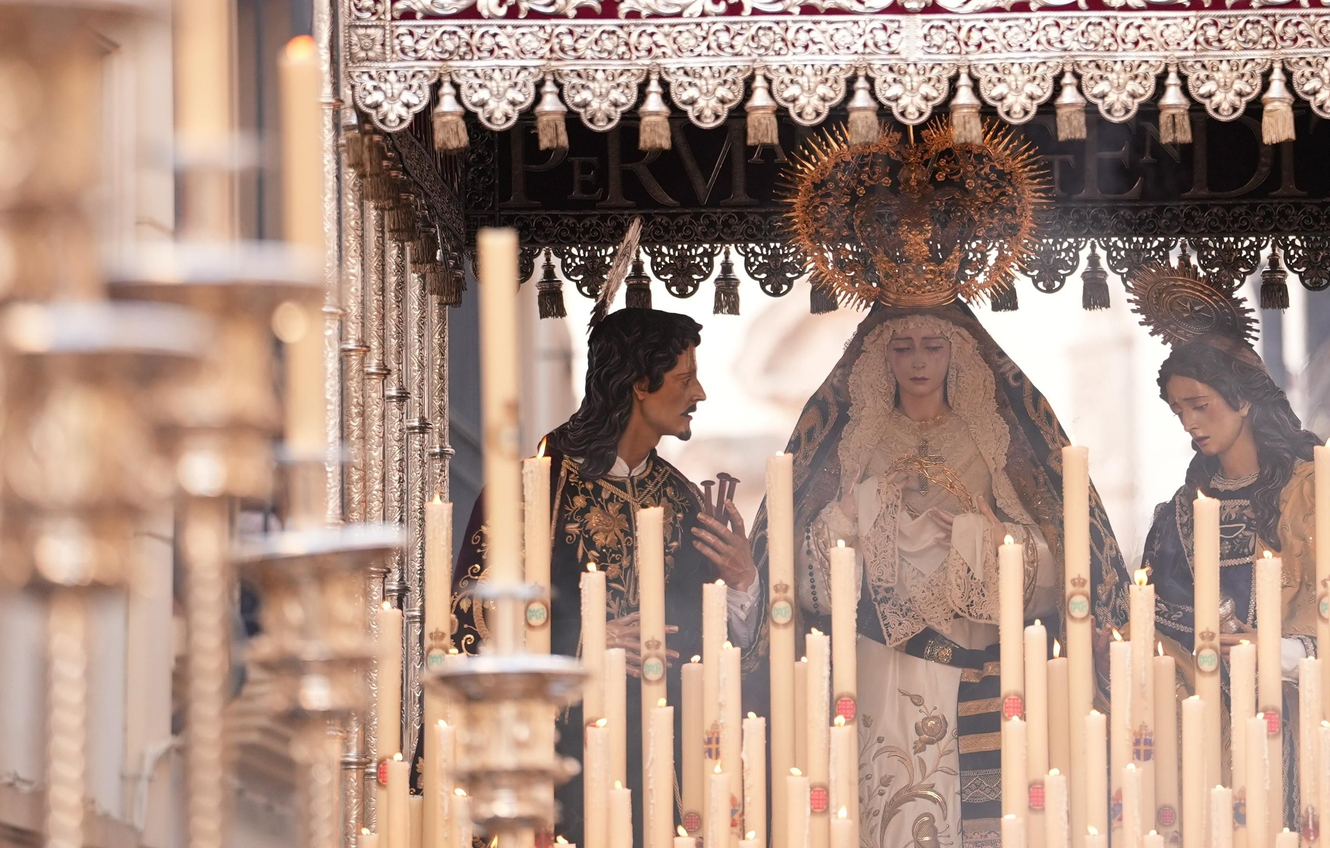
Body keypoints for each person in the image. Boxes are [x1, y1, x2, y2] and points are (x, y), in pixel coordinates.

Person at [753, 122, 1129, 848]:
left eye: (932, 344)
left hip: (981, 674)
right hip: (877, 668)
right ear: (878, 357)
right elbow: (804, 567)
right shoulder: (853, 439)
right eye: (901, 346)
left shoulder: (998, 438)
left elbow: (1058, 567)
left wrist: (984, 533)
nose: (918, 361)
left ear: (958, 351)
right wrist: (863, 510)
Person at [1128, 265, 1330, 848]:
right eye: (1179, 410)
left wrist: (1277, 649)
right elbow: (1151, 626)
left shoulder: (1320, 490)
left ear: (1243, 401)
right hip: (1202, 748)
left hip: (1303, 740)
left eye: (1200, 405)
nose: (1190, 423)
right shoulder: (1175, 517)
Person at [450, 307, 761, 844]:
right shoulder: (535, 493)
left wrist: (743, 583)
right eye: (685, 378)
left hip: (667, 774)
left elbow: (726, 651)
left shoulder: (684, 501)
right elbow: (469, 624)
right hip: (561, 764)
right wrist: (578, 644)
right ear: (640, 383)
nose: (700, 393)